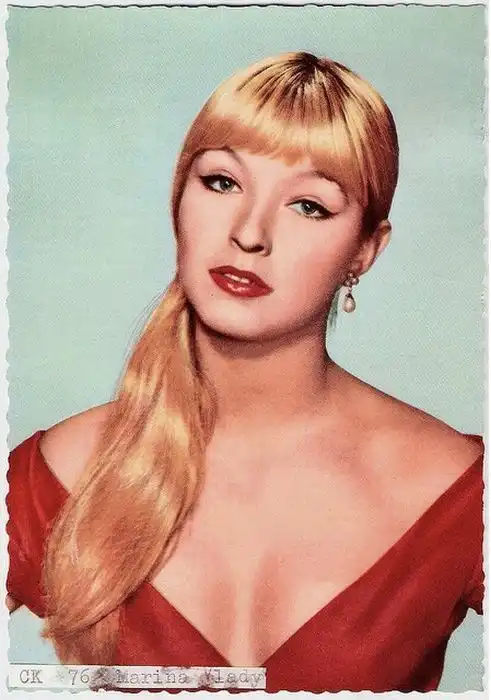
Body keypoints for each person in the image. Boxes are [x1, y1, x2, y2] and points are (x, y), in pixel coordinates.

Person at [6, 51, 484, 692]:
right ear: (179, 199)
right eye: (222, 182)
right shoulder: (52, 475)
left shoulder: (457, 490)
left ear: (365, 250)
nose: (250, 233)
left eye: (308, 206)